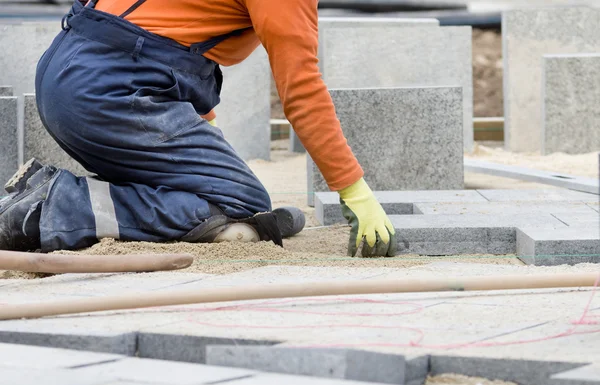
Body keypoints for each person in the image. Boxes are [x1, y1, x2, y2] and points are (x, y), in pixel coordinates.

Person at [0, 0, 397, 257]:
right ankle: (55, 204)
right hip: (107, 88)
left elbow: (168, 39)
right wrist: (352, 189)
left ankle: (57, 199)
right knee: (240, 200)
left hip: (70, 68)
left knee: (227, 195)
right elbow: (302, 90)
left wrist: (199, 142)